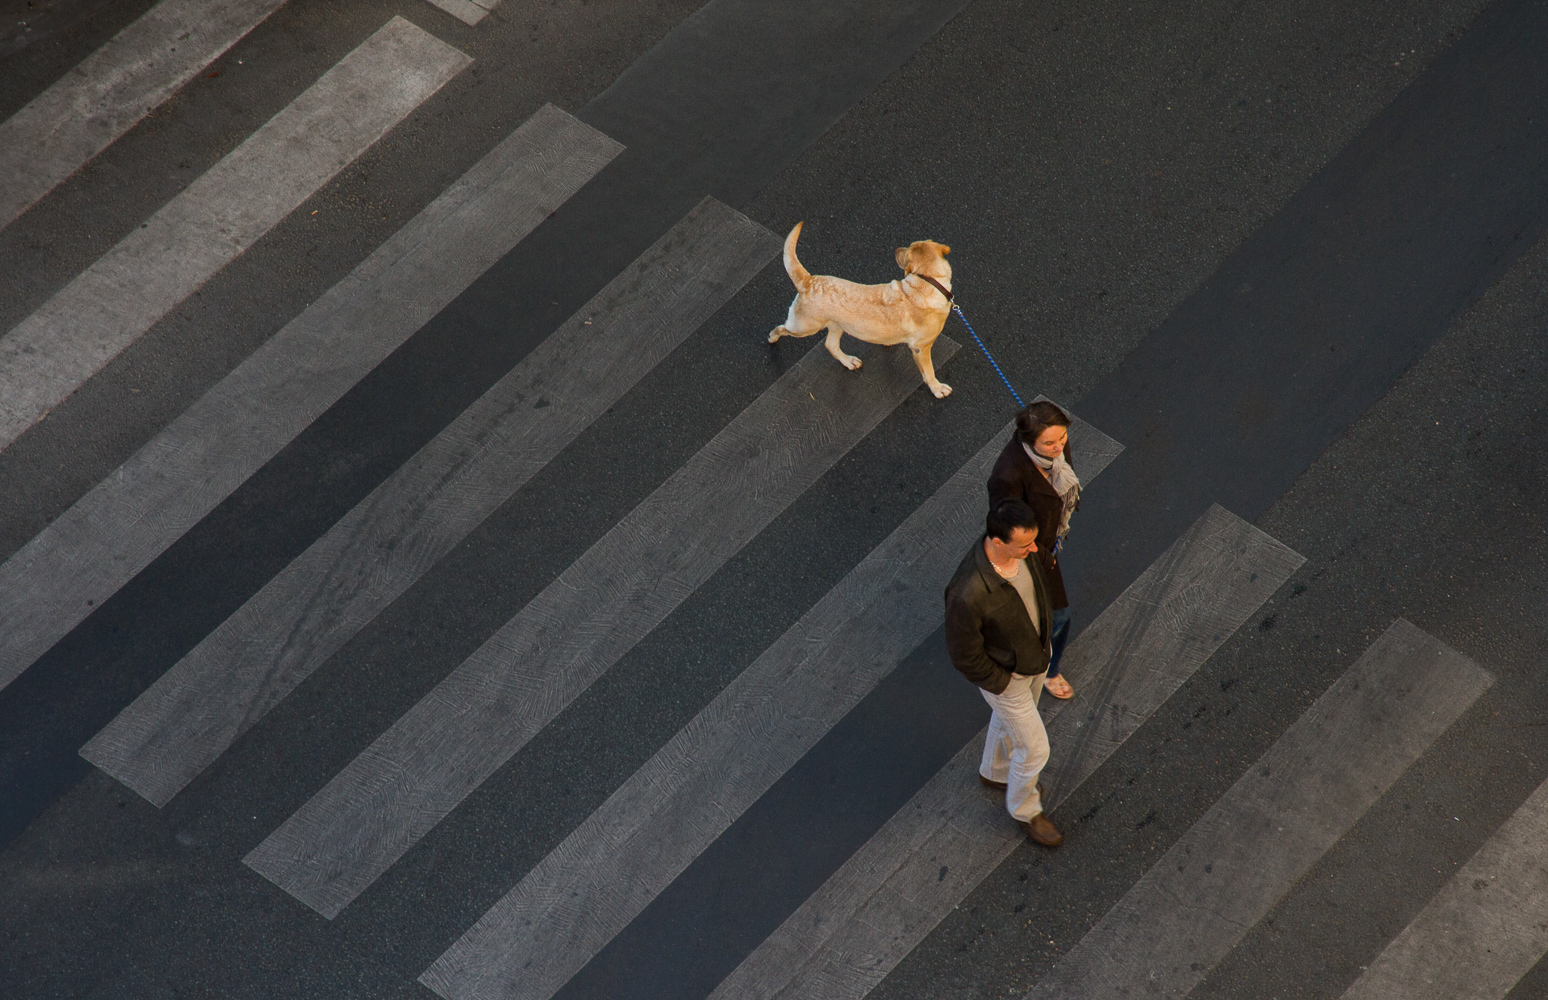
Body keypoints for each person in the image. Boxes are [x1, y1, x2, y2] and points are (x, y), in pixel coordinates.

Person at [943, 499, 1063, 847]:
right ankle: (1025, 810)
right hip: (1008, 678)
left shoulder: (1021, 554)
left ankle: (994, 773)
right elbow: (964, 654)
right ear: (997, 542)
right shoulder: (967, 593)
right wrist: (1001, 682)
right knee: (1036, 749)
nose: (1034, 548)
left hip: (1036, 657)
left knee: (1007, 723)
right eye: (1025, 544)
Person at [986, 401, 1081, 700]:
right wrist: (1043, 557)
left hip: (1047, 541)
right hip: (1029, 552)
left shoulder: (1052, 447)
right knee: (1060, 614)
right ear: (1029, 441)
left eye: (1062, 438)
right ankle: (1046, 671)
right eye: (1050, 443)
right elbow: (1006, 528)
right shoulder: (1007, 476)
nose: (1059, 447)